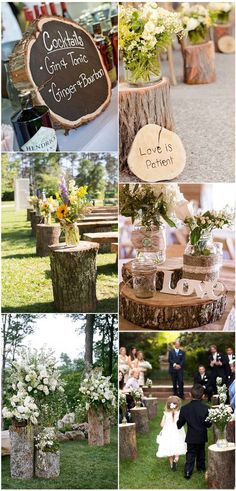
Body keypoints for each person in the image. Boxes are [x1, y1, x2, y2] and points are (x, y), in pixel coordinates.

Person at [177, 384, 212, 480]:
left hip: (191, 436)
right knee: (201, 452)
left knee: (191, 453)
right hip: (201, 435)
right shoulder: (206, 408)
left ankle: (188, 471)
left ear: (189, 395)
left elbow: (180, 424)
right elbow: (208, 424)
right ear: (203, 396)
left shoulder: (184, 408)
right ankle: (201, 468)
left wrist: (177, 423)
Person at [156, 396, 187, 471]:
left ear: (168, 405)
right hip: (178, 432)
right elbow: (181, 423)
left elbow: (162, 425)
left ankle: (171, 464)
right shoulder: (179, 413)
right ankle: (176, 459)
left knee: (169, 446)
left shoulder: (166, 414)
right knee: (178, 445)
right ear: (178, 405)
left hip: (168, 432)